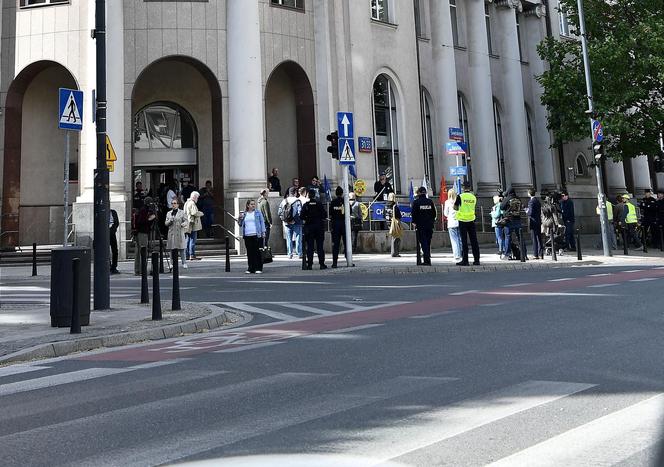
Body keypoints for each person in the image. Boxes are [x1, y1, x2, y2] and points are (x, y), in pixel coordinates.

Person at [454, 181, 480, 266]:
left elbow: (455, 207)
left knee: (464, 241)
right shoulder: (473, 197)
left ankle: (465, 260)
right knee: (474, 241)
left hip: (462, 221)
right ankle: (477, 260)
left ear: (463, 188)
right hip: (471, 220)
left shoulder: (460, 196)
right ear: (470, 187)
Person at [301, 188, 327, 270]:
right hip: (319, 227)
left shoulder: (306, 205)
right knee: (320, 246)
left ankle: (310, 265)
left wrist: (307, 218)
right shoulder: (319, 204)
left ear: (308, 195)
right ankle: (322, 264)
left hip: (309, 227)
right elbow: (324, 215)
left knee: (310, 247)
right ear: (315, 195)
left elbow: (301, 216)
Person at [238, 199, 266, 274]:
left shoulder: (257, 212)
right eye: (251, 204)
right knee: (250, 252)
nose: (253, 205)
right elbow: (240, 224)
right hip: (247, 235)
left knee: (257, 252)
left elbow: (262, 222)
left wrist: (263, 232)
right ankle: (250, 268)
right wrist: (240, 218)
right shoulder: (244, 213)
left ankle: (258, 268)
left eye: (254, 204)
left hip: (256, 234)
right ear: (248, 205)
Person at [411, 186, 436, 265]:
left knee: (423, 242)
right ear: (425, 193)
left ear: (418, 193)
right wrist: (431, 221)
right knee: (428, 242)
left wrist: (414, 222)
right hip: (429, 225)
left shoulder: (416, 202)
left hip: (420, 225)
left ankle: (426, 260)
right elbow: (434, 213)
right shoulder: (430, 201)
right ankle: (427, 259)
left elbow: (414, 214)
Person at [133, 197, 157, 275]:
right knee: (142, 251)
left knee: (139, 251)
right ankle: (140, 270)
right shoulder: (144, 210)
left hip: (141, 232)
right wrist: (150, 219)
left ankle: (138, 270)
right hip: (142, 232)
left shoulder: (144, 209)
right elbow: (141, 221)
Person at [165, 198, 189, 269]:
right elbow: (166, 223)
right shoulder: (169, 213)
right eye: (172, 203)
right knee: (172, 249)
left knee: (182, 248)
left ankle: (184, 262)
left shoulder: (182, 212)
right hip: (172, 233)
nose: (173, 205)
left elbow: (186, 221)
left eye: (175, 203)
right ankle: (171, 263)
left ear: (178, 205)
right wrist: (170, 220)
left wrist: (183, 224)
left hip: (179, 232)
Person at [500, 187, 523, 260]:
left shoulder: (507, 199)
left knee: (508, 237)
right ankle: (524, 254)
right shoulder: (518, 198)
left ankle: (507, 254)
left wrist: (503, 200)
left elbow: (501, 207)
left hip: (509, 220)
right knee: (520, 238)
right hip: (518, 219)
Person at [280, 187, 303, 259]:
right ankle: (299, 253)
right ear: (295, 193)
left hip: (287, 223)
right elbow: (300, 212)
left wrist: (285, 220)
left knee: (289, 238)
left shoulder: (284, 201)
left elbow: (279, 212)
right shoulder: (297, 201)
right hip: (296, 223)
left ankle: (290, 254)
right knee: (298, 237)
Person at [183, 191, 204, 261]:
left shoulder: (187, 202)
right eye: (197, 197)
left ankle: (187, 255)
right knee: (192, 240)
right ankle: (192, 255)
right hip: (192, 223)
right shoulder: (192, 203)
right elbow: (194, 212)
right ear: (194, 197)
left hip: (188, 223)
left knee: (188, 239)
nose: (197, 199)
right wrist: (201, 213)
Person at [329, 186, 346, 267]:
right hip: (344, 224)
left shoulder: (333, 202)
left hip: (335, 224)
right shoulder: (345, 201)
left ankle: (334, 262)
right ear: (342, 193)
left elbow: (330, 213)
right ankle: (348, 259)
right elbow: (349, 211)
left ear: (336, 194)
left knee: (335, 244)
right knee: (346, 243)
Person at [443, 189, 461, 261]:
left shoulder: (447, 202)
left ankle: (457, 255)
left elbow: (445, 213)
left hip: (451, 222)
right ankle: (462, 254)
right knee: (460, 239)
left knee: (454, 240)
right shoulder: (458, 201)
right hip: (459, 221)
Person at [527, 188, 543, 259]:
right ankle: (541, 253)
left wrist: (526, 211)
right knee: (539, 237)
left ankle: (535, 254)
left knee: (534, 238)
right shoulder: (537, 200)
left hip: (533, 221)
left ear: (529, 193)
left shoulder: (531, 201)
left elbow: (530, 212)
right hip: (538, 220)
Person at [385, 192, 402, 257]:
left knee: (393, 237)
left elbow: (384, 215)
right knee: (396, 238)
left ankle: (394, 252)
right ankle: (395, 253)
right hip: (394, 223)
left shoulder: (386, 206)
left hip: (388, 223)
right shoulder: (395, 206)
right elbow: (399, 216)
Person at [109, 208, 119, 274]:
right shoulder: (103, 212)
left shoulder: (113, 212)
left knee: (115, 250)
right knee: (106, 251)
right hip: (105, 233)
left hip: (112, 233)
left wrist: (113, 229)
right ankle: (108, 266)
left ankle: (114, 266)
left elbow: (116, 222)